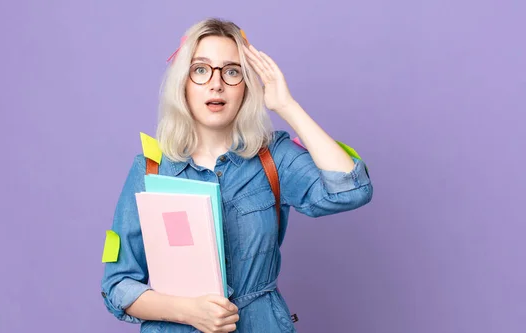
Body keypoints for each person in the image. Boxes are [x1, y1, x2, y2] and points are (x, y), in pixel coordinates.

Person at [100, 17, 373, 333]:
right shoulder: (150, 168)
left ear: (246, 86)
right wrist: (187, 311)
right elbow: (117, 285)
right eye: (201, 70)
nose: (216, 83)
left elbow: (352, 190)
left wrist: (286, 106)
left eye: (232, 72)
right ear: (183, 83)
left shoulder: (274, 158)